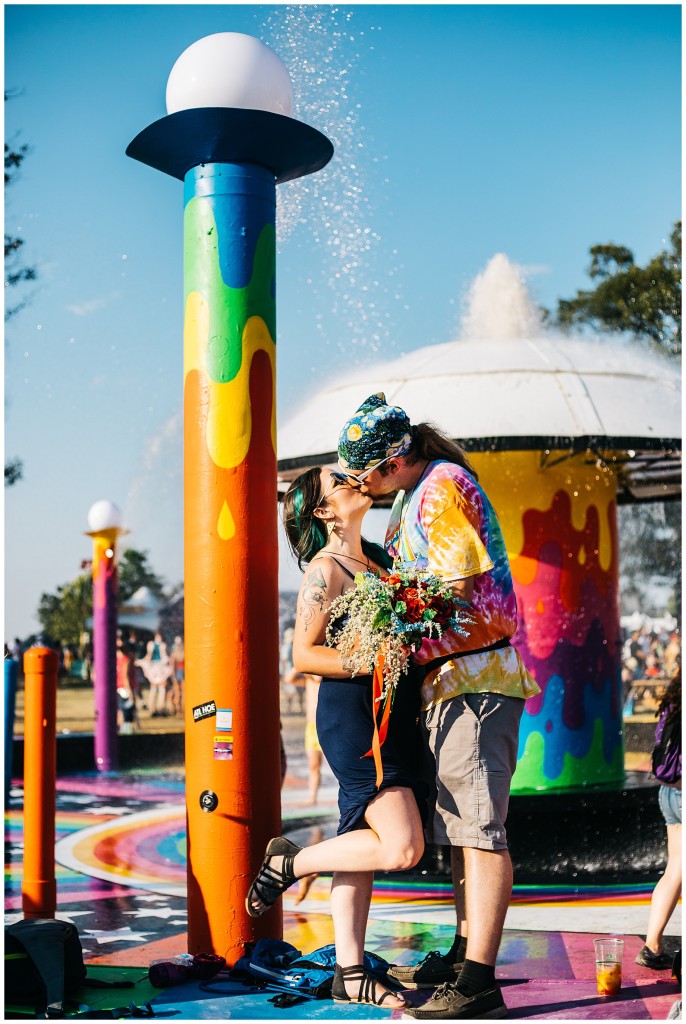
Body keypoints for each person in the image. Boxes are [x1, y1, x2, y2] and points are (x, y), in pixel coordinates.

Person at [335, 393, 540, 1021]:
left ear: (395, 458)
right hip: (452, 682)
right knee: (461, 831)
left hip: (477, 679)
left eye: (364, 472)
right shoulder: (410, 494)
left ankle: (479, 979)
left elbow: (453, 588)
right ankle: (462, 952)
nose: (359, 484)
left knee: (480, 832)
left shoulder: (441, 487)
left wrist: (390, 626)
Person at [246, 465, 428, 1009]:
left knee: (359, 846)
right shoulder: (324, 571)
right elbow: (305, 654)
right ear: (324, 511)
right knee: (401, 847)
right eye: (341, 480)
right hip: (355, 721)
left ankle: (350, 971)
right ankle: (290, 862)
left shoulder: (376, 556)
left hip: (391, 716)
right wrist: (375, 656)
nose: (355, 479)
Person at [636, 670, 681, 971]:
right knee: (678, 871)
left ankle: (652, 945)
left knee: (675, 870)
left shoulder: (673, 703)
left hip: (668, 792)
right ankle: (651, 946)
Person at [137, 632, 172, 716]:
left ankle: (160, 708)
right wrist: (143, 661)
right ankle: (152, 708)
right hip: (153, 667)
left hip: (161, 667)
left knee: (161, 688)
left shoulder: (163, 645)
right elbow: (149, 655)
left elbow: (164, 655)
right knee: (154, 688)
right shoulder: (151, 644)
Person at [170, 635, 185, 716]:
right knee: (181, 692)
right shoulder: (184, 652)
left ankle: (178, 708)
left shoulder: (174, 652)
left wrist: (172, 673)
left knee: (178, 692)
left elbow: (172, 663)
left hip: (178, 672)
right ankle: (180, 709)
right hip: (181, 672)